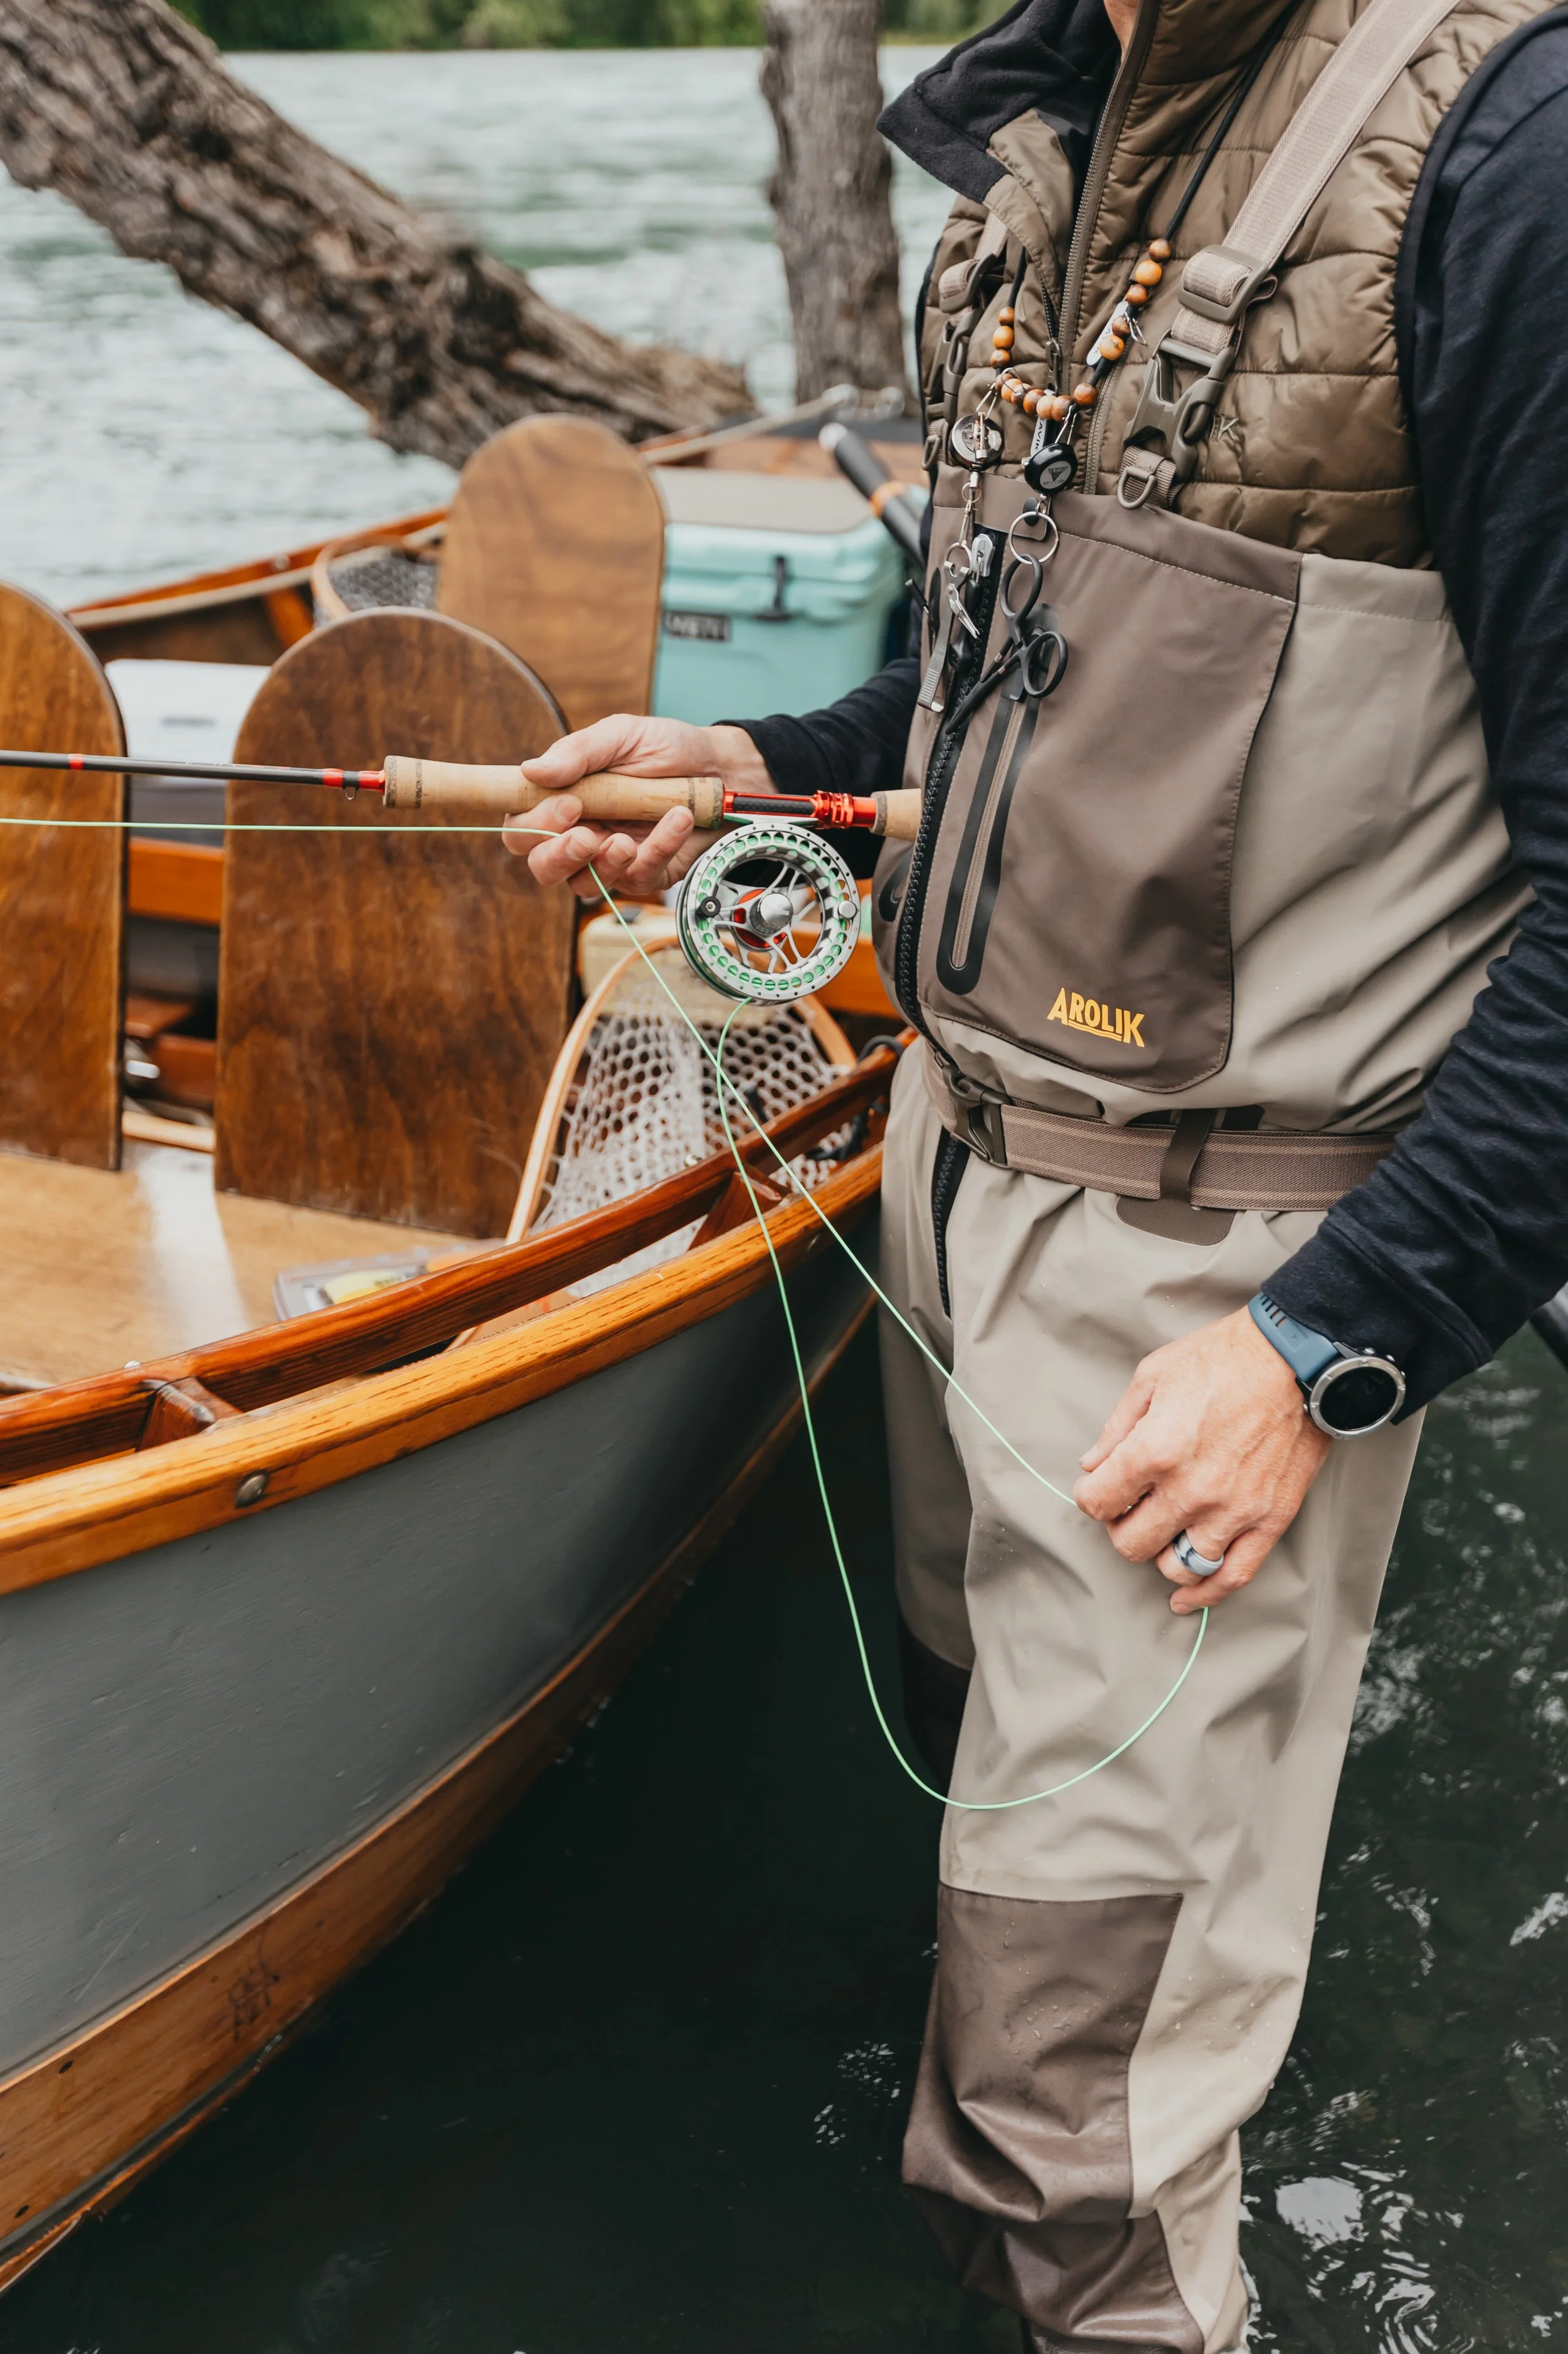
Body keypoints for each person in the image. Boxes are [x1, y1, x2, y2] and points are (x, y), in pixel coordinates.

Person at [507, 0, 1568, 2342]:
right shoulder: (1050, 136)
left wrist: (1320, 1350)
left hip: (1219, 1302)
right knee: (1002, 1931)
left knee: (1069, 2162)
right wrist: (765, 760)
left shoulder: (1514, 147)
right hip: (947, 1192)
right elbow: (1003, 691)